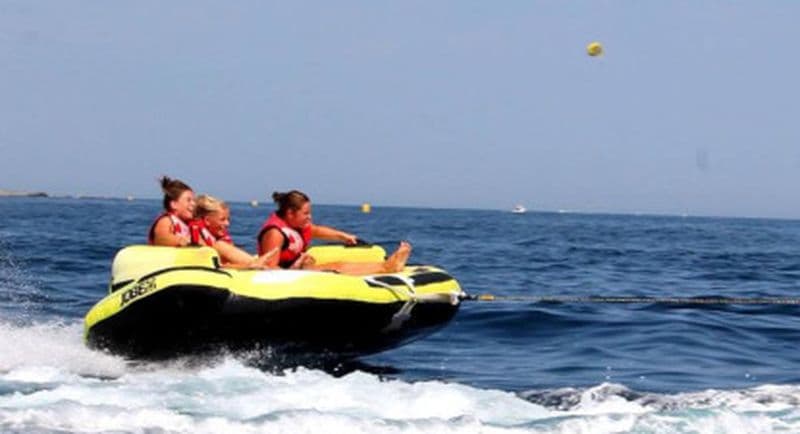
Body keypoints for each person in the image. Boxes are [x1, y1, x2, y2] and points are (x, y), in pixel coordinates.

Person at [257, 190, 412, 274]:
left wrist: (344, 237)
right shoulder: (275, 233)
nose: (309, 217)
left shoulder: (295, 225)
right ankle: (387, 267)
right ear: (290, 213)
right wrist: (297, 266)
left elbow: (316, 230)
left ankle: (383, 265)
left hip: (299, 266)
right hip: (289, 273)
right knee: (337, 267)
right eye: (306, 213)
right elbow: (269, 270)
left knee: (338, 263)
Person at [192, 195, 277, 269]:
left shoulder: (218, 237)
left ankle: (260, 263)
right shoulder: (200, 238)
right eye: (222, 219)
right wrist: (248, 266)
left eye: (228, 219)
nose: (227, 224)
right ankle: (259, 263)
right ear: (207, 220)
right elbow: (213, 266)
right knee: (220, 246)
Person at [148, 176, 195, 247]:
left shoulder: (190, 224)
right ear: (174, 205)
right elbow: (161, 238)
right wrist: (182, 241)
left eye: (194, 200)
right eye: (188, 200)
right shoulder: (166, 221)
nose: (193, 204)